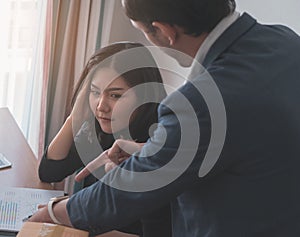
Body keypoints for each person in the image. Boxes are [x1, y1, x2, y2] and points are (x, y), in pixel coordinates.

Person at [30, 0, 300, 236]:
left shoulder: (200, 102)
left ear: (164, 31)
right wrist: (154, 152)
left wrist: (53, 213)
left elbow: (125, 194)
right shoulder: (286, 42)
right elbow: (245, 138)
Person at [37, 42, 171, 237]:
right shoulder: (102, 129)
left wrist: (72, 223)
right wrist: (74, 117)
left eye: (115, 95)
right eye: (95, 92)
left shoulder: (159, 142)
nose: (101, 106)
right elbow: (50, 172)